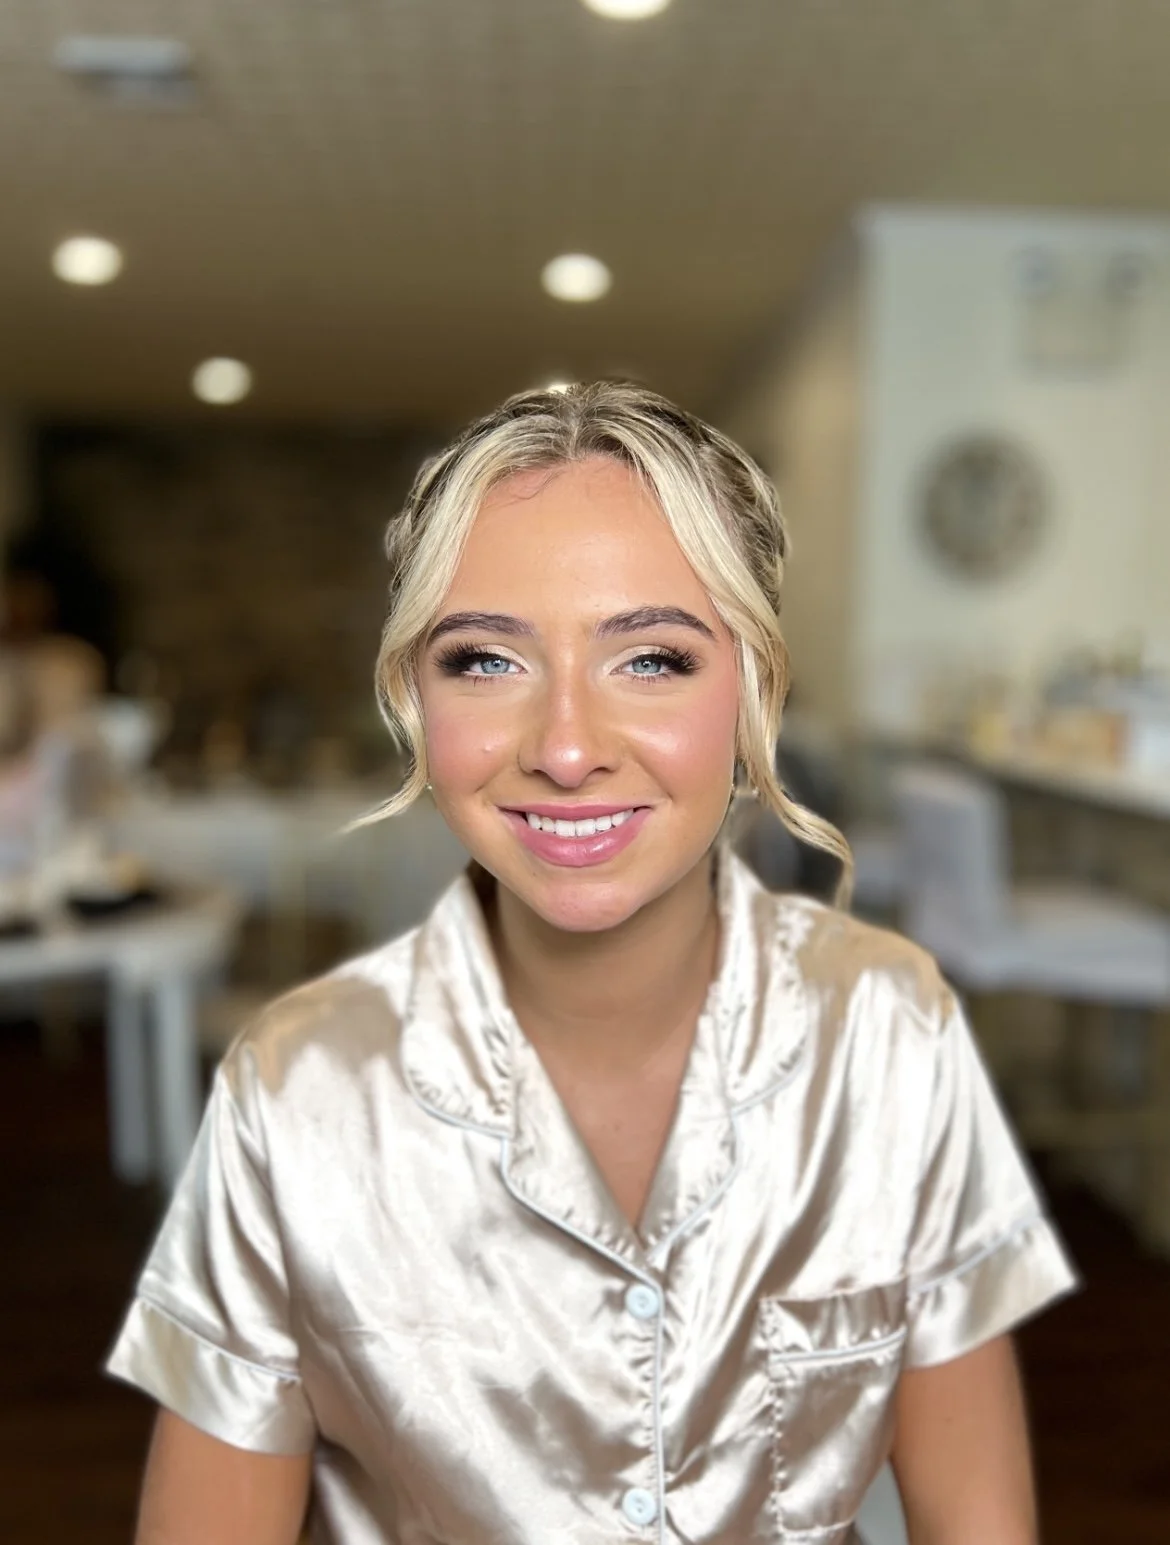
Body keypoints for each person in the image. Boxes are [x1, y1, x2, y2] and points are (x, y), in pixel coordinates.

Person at [106, 382, 1077, 1544]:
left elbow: (979, 1516)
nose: (566, 748)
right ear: (414, 699)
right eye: (484, 660)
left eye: (653, 659)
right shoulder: (296, 1092)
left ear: (756, 690)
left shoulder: (889, 1027)